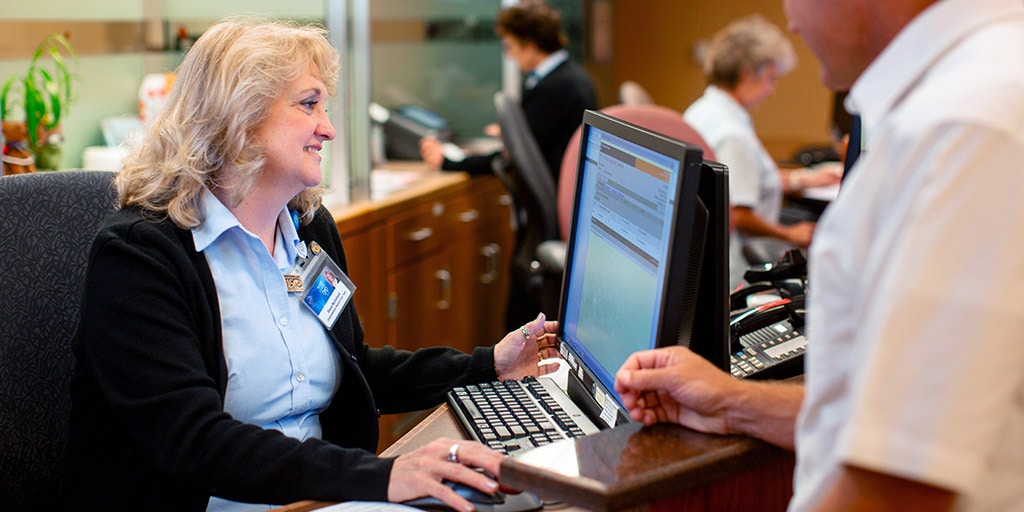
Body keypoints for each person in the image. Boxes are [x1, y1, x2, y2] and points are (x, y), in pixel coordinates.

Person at [59, 17, 561, 512]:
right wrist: (385, 477)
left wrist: (488, 365)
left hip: (320, 496)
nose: (328, 128)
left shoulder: (308, 229)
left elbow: (355, 368)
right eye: (308, 105)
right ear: (241, 115)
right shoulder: (140, 256)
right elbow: (193, 440)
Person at [615, 0, 1024, 510]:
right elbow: (882, 421)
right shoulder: (963, 102)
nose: (790, 18)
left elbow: (899, 486)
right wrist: (733, 404)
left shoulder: (966, 126)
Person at [682, 14, 841, 288]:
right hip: (740, 270)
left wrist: (800, 179)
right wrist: (790, 234)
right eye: (770, 78)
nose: (771, 91)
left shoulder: (703, 110)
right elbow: (739, 215)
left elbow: (744, 179)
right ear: (746, 73)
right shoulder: (733, 134)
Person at [419, 0, 598, 182]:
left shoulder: (555, 88)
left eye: (509, 45)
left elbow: (514, 157)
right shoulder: (571, 76)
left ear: (529, 45)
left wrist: (449, 163)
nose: (508, 54)